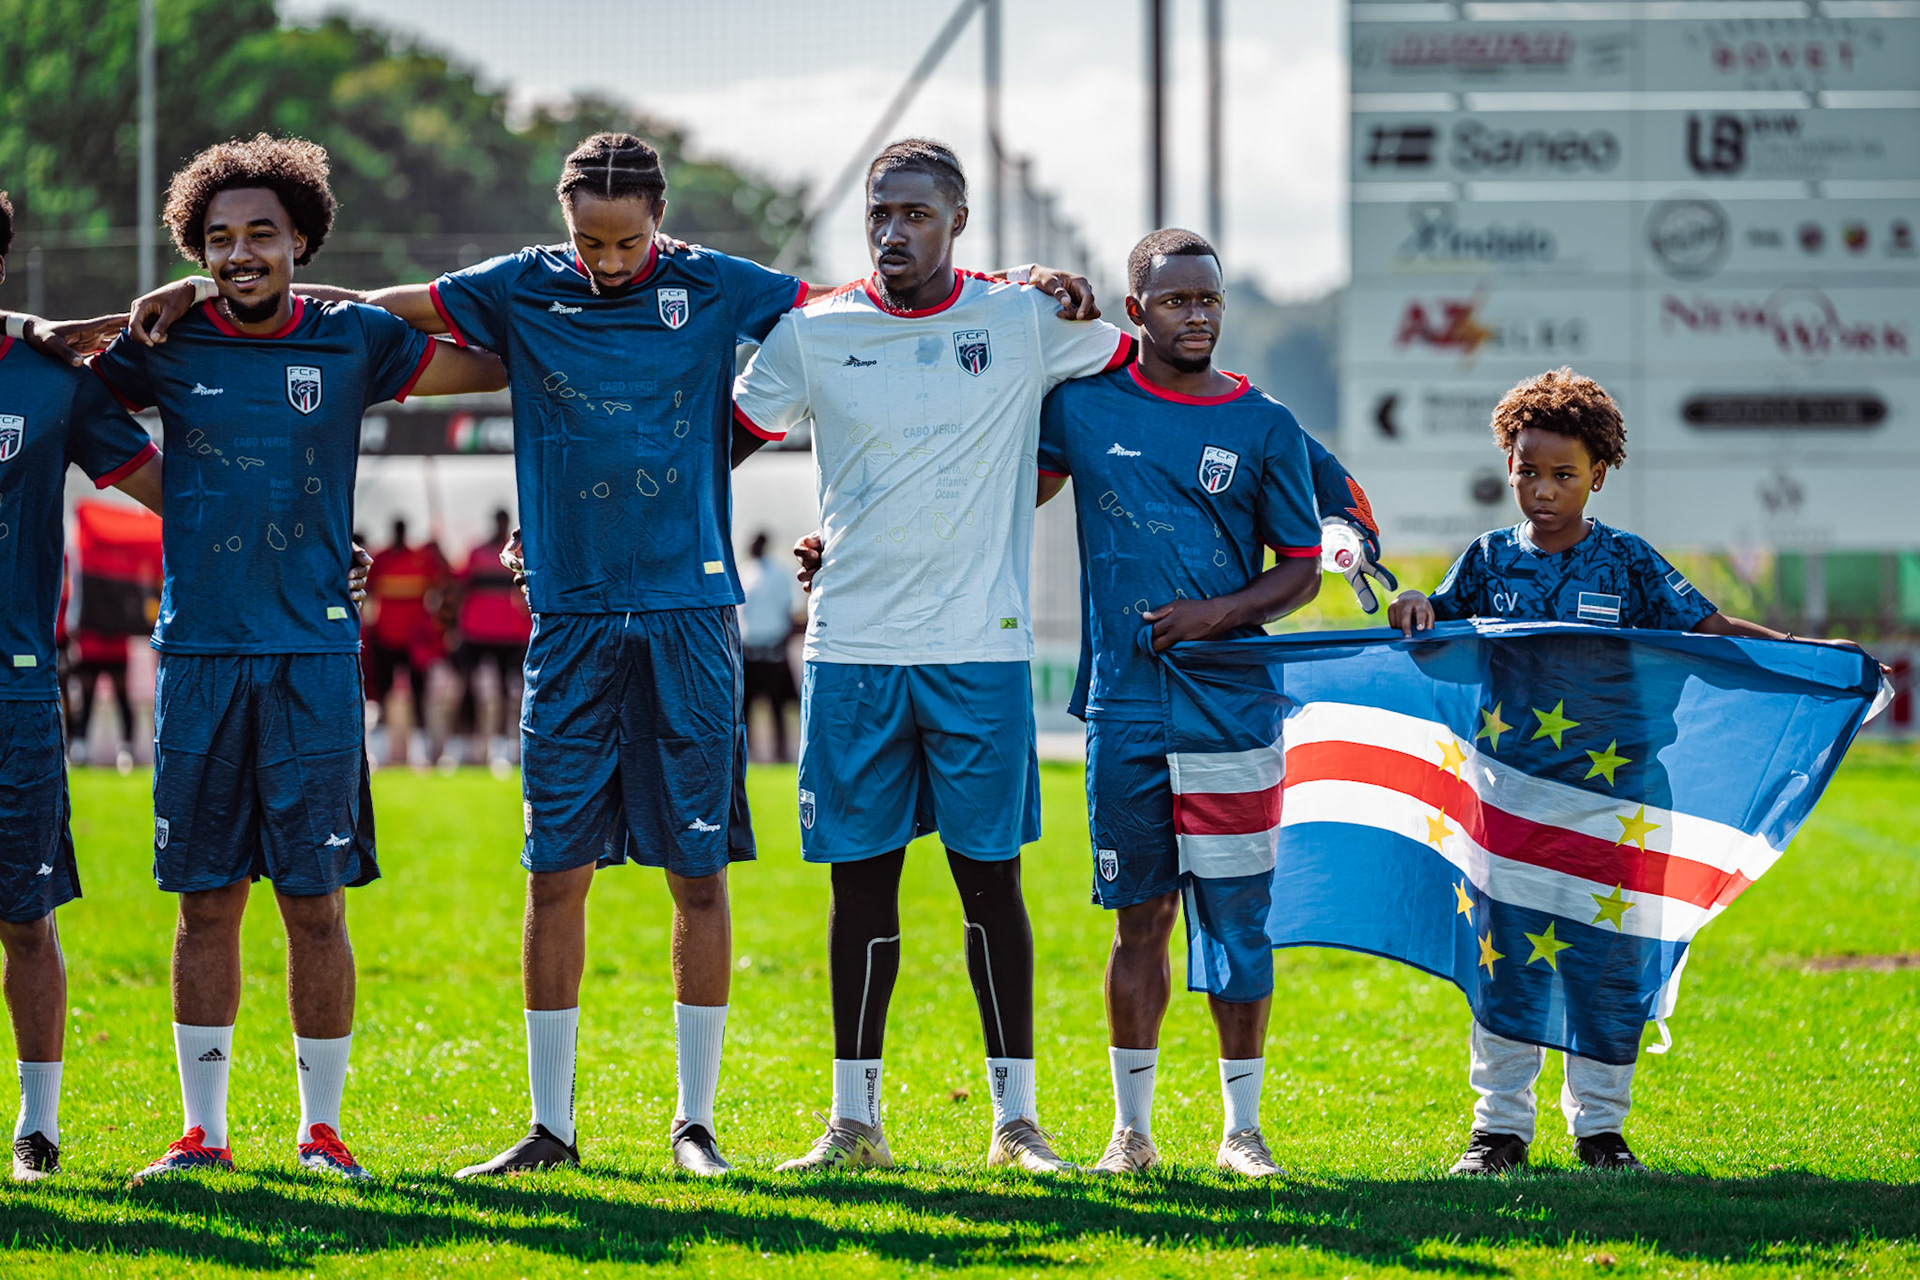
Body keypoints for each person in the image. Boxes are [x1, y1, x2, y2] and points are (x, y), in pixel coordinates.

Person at [132, 129, 1094, 1179]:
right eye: (589, 242)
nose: (608, 261)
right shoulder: (520, 284)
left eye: (628, 242)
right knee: (554, 874)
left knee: (698, 875)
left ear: (659, 221)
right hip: (572, 618)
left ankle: (695, 1126)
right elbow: (372, 310)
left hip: (691, 613)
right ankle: (550, 1125)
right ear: (564, 224)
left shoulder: (719, 284)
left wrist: (1010, 281)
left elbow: (861, 297)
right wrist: (205, 292)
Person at [91, 135, 506, 1183]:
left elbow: (495, 360)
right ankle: (204, 1133)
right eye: (219, 239)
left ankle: (322, 1132)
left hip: (313, 657)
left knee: (315, 903)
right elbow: (69, 384)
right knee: (205, 902)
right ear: (196, 249)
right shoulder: (165, 340)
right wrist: (177, 497)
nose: (241, 254)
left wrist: (392, 300)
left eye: (262, 235)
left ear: (302, 241)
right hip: (200, 654)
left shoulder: (353, 337)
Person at [733, 139, 1131, 1173]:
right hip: (852, 652)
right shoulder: (813, 331)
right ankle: (853, 1123)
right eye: (879, 213)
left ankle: (1017, 1124)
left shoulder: (1022, 316)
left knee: (990, 887)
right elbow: (709, 445)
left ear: (957, 221)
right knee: (860, 892)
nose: (893, 231)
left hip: (977, 653)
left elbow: (1146, 365)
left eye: (915, 213)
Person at [1385, 366, 1864, 1176]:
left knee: (1608, 968)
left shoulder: (1629, 563)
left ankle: (1600, 1132)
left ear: (1598, 474)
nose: (1543, 490)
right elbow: (1435, 646)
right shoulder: (1486, 561)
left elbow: (1709, 631)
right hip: (1512, 801)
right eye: (1528, 472)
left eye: (1563, 474)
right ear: (1508, 465)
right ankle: (1498, 1131)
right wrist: (1414, 605)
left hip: (1619, 804)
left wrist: (1802, 655)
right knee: (1510, 967)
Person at [0, 188, 167, 1180]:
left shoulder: (51, 381)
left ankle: (39, 1124)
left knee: (25, 917)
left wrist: (313, 541)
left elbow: (170, 489)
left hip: (15, 689)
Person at [451, 508, 531, 771]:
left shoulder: (519, 554)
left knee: (510, 692)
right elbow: (458, 585)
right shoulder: (476, 552)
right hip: (476, 630)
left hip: (509, 633)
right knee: (468, 688)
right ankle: (466, 744)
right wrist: (454, 626)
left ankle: (504, 746)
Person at [364, 517, 449, 764]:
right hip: (385, 637)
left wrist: (439, 552)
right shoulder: (380, 559)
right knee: (382, 693)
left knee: (419, 694)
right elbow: (367, 589)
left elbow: (446, 579)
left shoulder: (421, 558)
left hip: (414, 641)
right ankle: (382, 749)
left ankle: (420, 749)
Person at [736, 530, 800, 762]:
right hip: (749, 649)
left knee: (778, 705)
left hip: (773, 649)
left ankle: (781, 753)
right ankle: (749, 753)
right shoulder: (744, 571)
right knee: (745, 707)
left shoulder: (779, 573)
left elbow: (788, 608)